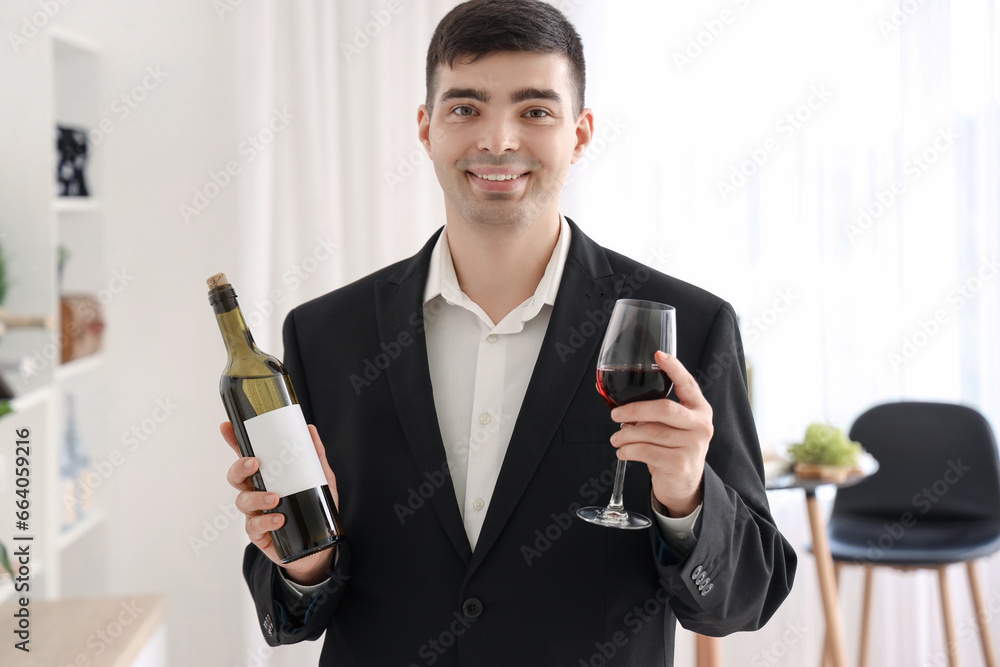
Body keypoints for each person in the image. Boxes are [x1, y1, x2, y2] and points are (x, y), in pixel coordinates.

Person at [221, 1, 796, 664]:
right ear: (426, 127)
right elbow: (290, 616)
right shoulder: (325, 334)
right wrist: (304, 557)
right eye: (465, 107)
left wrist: (689, 495)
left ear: (579, 134)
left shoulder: (689, 327)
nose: (498, 139)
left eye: (535, 110)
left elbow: (746, 600)